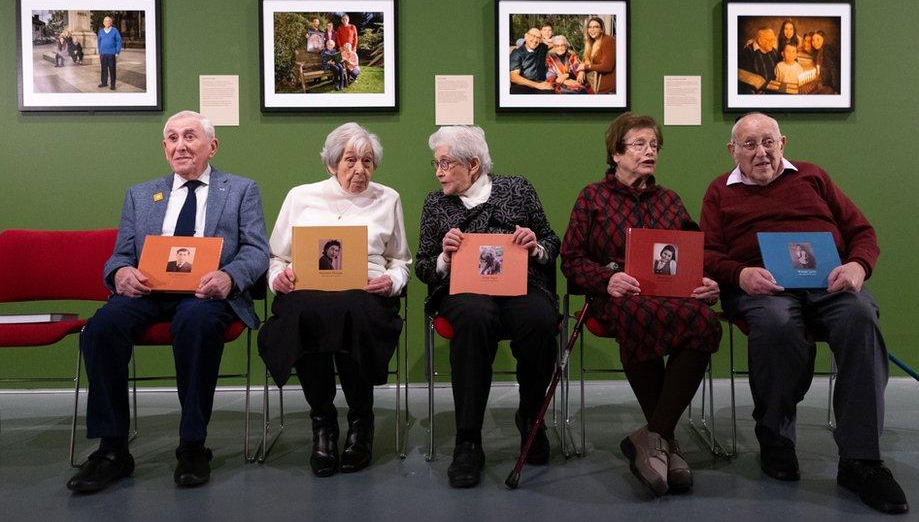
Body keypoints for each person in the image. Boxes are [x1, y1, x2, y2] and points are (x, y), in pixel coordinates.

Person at [699, 112, 908, 514]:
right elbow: (708, 252)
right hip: (764, 289)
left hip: (827, 284)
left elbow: (861, 231)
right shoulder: (720, 192)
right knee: (778, 324)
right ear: (732, 151)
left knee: (861, 316)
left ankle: (861, 460)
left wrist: (857, 266)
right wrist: (740, 274)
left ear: (783, 144)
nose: (761, 152)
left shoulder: (813, 177)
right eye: (749, 144)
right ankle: (776, 438)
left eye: (768, 142)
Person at [66, 111, 269, 493]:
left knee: (195, 324)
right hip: (149, 290)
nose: (180, 146)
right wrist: (121, 274)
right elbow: (119, 256)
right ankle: (112, 451)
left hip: (205, 294)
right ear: (164, 148)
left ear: (212, 146)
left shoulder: (241, 189)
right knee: (101, 328)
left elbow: (258, 251)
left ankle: (192, 446)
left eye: (190, 137)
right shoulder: (140, 195)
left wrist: (229, 277)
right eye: (172, 138)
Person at [561, 112, 721, 497]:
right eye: (639, 145)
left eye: (653, 145)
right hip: (617, 296)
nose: (649, 152)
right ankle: (666, 442)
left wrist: (706, 282)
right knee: (638, 314)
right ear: (616, 153)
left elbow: (693, 254)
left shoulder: (669, 200)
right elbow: (571, 258)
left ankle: (654, 437)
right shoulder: (593, 197)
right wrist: (607, 278)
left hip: (667, 294)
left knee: (703, 321)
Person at [259, 122, 411, 477]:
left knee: (353, 310)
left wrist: (391, 281)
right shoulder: (301, 196)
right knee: (302, 312)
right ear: (332, 164)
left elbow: (401, 260)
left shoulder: (388, 198)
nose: (360, 170)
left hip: (366, 292)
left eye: (368, 162)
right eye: (351, 160)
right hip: (308, 291)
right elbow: (276, 257)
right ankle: (323, 423)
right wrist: (275, 278)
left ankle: (361, 422)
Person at [416, 126, 560, 488]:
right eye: (436, 164)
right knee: (474, 317)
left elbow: (550, 240)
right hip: (464, 291)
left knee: (540, 319)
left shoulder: (517, 188)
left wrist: (535, 245)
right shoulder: (436, 204)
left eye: (446, 163)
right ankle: (468, 438)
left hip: (520, 286)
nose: (438, 172)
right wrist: (444, 258)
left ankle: (531, 417)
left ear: (474, 164)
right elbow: (421, 266)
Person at [509, 27, 553, 94]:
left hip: (540, 83)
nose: (535, 40)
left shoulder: (542, 48)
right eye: (533, 36)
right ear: (526, 36)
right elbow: (513, 77)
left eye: (538, 37)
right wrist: (536, 85)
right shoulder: (517, 53)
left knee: (551, 92)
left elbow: (557, 44)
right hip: (522, 85)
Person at [581, 17, 616, 94]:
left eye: (596, 27)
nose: (592, 30)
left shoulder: (609, 41)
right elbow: (586, 61)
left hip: (606, 89)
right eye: (590, 27)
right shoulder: (592, 42)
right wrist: (582, 70)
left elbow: (607, 67)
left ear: (601, 29)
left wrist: (585, 67)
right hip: (594, 86)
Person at [97, 15, 122, 90]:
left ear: (111, 22)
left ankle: (113, 84)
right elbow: (99, 42)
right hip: (103, 53)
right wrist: (100, 51)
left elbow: (119, 41)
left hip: (111, 53)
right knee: (103, 69)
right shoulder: (101, 31)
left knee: (112, 69)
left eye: (109, 21)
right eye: (105, 21)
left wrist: (117, 51)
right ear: (103, 23)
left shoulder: (115, 30)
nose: (107, 22)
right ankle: (104, 82)